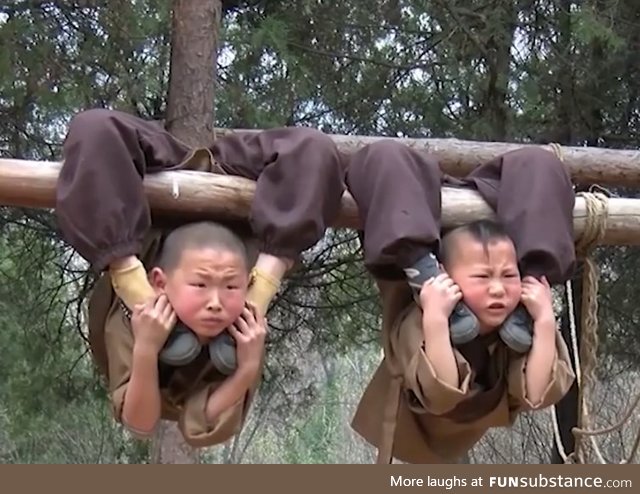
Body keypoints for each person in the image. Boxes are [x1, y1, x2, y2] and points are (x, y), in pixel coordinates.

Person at [56, 109, 345, 446]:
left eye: (229, 287)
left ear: (159, 282)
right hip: (235, 193)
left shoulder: (137, 318)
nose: (216, 303)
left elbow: (139, 422)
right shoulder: (244, 334)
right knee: (314, 149)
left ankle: (127, 276)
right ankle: (265, 279)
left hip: (164, 187)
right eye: (201, 285)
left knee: (96, 128)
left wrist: (146, 336)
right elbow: (168, 423)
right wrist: (248, 357)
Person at [346, 141, 577, 463]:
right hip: (430, 280)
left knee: (540, 163)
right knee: (385, 156)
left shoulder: (516, 311)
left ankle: (532, 272)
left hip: (486, 279)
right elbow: (441, 395)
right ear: (447, 276)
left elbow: (537, 395)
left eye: (509, 277)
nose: (498, 290)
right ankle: (421, 268)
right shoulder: (419, 318)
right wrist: (438, 317)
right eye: (483, 279)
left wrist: (541, 316)